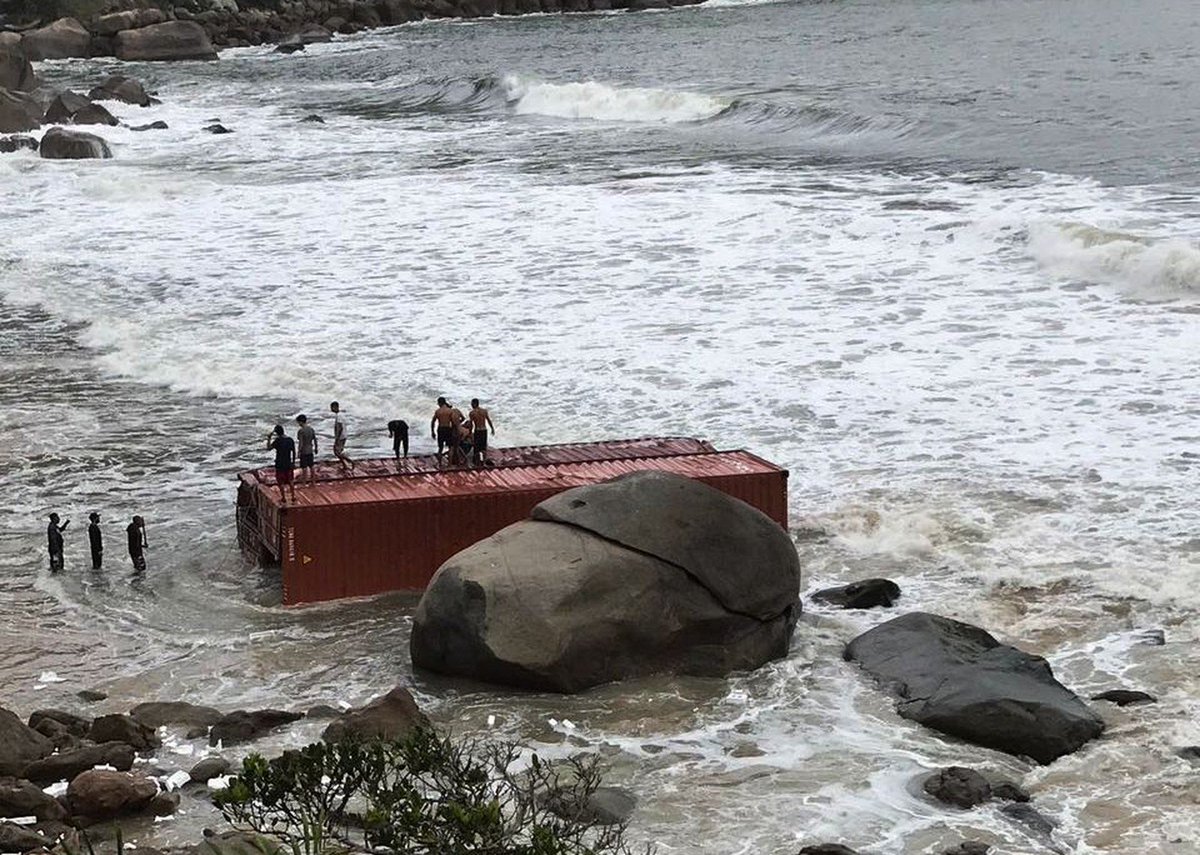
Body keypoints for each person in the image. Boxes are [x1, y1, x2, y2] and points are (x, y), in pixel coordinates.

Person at [268, 424, 296, 503]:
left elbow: (269, 448)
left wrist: (269, 438)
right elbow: (294, 452)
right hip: (288, 462)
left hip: (280, 463)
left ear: (277, 433)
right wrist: (293, 462)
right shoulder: (290, 440)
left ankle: (283, 498)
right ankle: (293, 496)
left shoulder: (278, 440)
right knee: (290, 480)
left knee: (281, 482)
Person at [467, 398, 496, 466]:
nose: (471, 405)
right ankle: (484, 461)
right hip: (484, 430)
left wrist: (470, 432)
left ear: (474, 404)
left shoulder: (472, 413)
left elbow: (471, 424)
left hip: (478, 431)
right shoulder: (484, 411)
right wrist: (492, 429)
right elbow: (489, 420)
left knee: (476, 447)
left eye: (472, 404)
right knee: (483, 447)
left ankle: (476, 462)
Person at [330, 401, 354, 473]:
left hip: (341, 436)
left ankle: (349, 461)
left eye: (332, 407)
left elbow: (340, 427)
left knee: (337, 452)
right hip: (343, 435)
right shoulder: (340, 415)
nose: (331, 409)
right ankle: (345, 465)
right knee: (338, 451)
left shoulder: (339, 416)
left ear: (335, 407)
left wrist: (337, 438)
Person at [295, 414, 318, 486]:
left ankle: (304, 482)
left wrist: (299, 451)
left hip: (304, 451)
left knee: (304, 467)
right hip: (310, 449)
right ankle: (313, 482)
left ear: (301, 422)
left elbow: (301, 442)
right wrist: (316, 448)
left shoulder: (301, 431)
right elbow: (315, 439)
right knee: (311, 466)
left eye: (298, 422)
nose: (298, 424)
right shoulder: (311, 429)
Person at [431, 397, 454, 463]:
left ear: (440, 403)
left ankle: (440, 463)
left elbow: (433, 422)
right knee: (450, 447)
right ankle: (449, 464)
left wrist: (432, 431)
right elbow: (453, 422)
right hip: (448, 429)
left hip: (440, 429)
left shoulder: (438, 411)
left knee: (440, 448)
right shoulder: (450, 411)